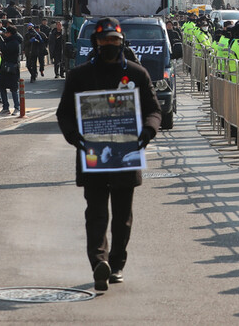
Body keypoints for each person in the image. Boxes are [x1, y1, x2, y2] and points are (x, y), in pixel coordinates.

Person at [56, 17, 161, 291]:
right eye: (104, 41)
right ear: (96, 43)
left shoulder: (137, 74)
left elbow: (153, 109)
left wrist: (147, 131)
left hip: (126, 156)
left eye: (114, 41)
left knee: (123, 216)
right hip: (92, 156)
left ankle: (117, 265)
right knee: (96, 214)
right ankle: (98, 263)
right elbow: (64, 113)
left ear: (122, 42)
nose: (109, 46)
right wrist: (74, 136)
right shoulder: (79, 75)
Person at [0, 25, 23, 115]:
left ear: (10, 33)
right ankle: (5, 107)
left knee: (13, 88)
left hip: (12, 67)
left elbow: (6, 51)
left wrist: (1, 43)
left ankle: (17, 107)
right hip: (6, 66)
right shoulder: (10, 41)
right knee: (2, 87)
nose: (5, 34)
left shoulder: (14, 42)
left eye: (6, 33)